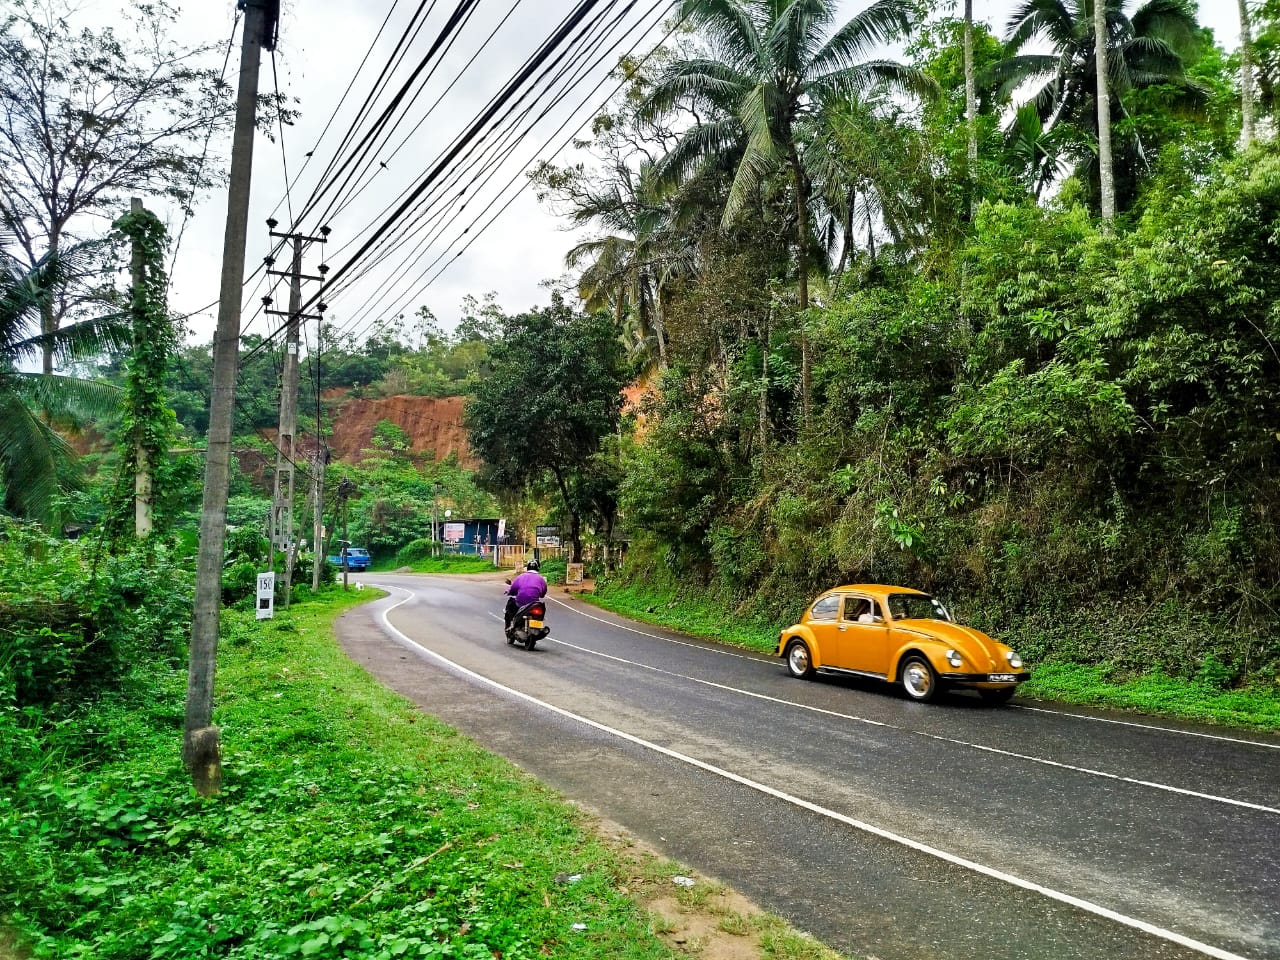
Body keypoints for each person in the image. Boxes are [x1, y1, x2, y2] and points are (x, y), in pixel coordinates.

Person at [505, 558, 547, 631]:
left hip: (520, 603)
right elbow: (543, 593)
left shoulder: (521, 577)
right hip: (534, 604)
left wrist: (509, 592)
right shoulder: (541, 579)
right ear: (538, 568)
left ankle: (509, 627)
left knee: (510, 604)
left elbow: (513, 589)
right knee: (541, 608)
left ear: (527, 567)